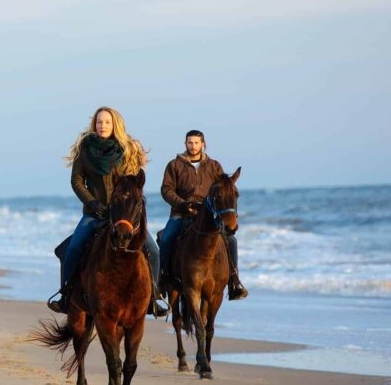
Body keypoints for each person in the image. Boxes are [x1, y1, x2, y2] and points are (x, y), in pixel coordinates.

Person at [48, 107, 168, 316]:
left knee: (154, 250)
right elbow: (76, 181)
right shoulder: (84, 150)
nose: (102, 126)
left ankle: (154, 297)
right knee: (73, 248)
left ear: (115, 125)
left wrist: (123, 205)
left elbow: (134, 183)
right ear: (94, 124)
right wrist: (93, 203)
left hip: (122, 215)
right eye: (99, 122)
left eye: (107, 122)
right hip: (94, 214)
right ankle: (65, 295)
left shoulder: (127, 149)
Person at [158, 130, 248, 300]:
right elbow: (166, 190)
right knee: (167, 237)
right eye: (190, 143)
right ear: (185, 144)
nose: (193, 146)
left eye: (197, 143)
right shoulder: (174, 165)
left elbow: (223, 187)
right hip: (181, 212)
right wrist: (182, 204)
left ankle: (234, 280)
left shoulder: (214, 166)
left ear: (203, 144)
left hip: (207, 215)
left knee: (231, 240)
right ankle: (162, 279)